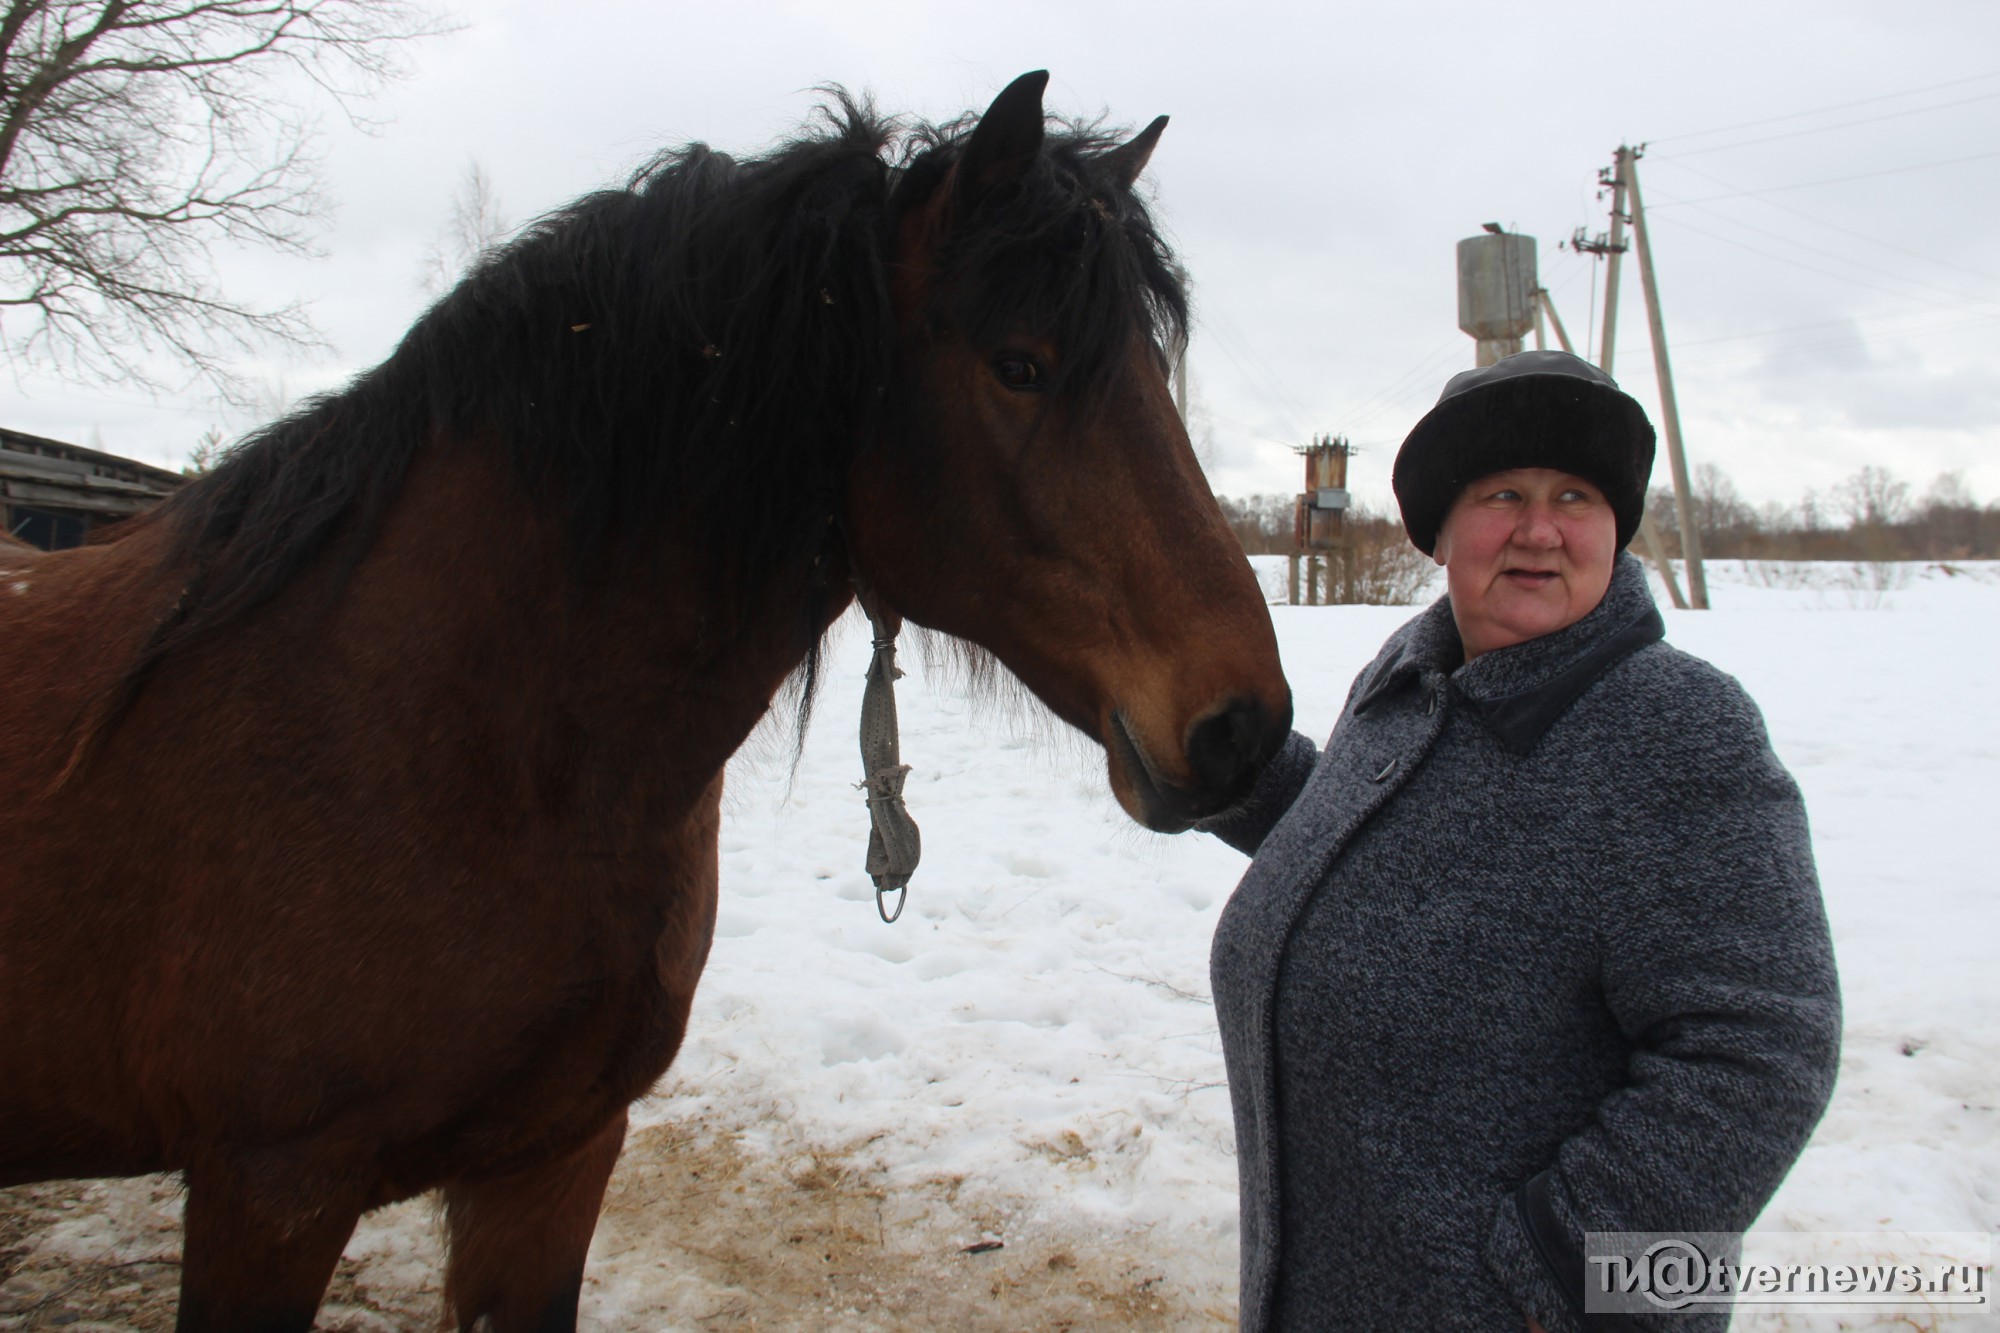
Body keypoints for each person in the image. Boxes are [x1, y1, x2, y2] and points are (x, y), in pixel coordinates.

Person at [1202, 350, 1841, 1332]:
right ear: (1440, 532)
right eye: (1502, 493)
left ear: (1613, 531)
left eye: (1574, 497)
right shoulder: (1411, 684)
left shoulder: (1674, 729)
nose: (1538, 529)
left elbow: (1761, 1050)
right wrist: (1224, 763)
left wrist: (1562, 1273)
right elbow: (1375, 839)